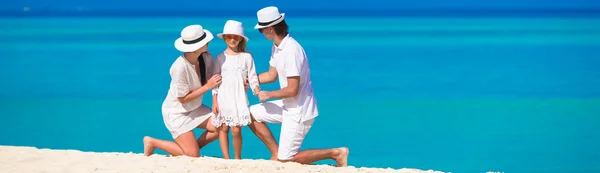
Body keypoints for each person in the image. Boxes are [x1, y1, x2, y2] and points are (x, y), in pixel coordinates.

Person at [247, 6, 349, 167]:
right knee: (249, 114)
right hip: (287, 106)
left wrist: (268, 95)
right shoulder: (277, 47)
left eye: (261, 30)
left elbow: (292, 90)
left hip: (300, 111)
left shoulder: (291, 50)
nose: (261, 33)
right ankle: (276, 153)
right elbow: (271, 75)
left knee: (287, 160)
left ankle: (336, 153)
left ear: (271, 29)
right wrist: (249, 80)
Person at [142, 24, 222, 157]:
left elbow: (214, 78)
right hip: (176, 113)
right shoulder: (179, 68)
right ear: (195, 48)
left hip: (195, 108)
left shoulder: (206, 57)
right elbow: (183, 99)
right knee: (192, 156)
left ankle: (189, 149)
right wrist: (207, 86)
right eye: (204, 41)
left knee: (222, 126)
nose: (208, 42)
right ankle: (152, 142)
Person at [211, 20, 260, 160]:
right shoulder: (220, 58)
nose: (232, 40)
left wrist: (256, 90)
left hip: (238, 98)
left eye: (236, 37)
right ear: (225, 38)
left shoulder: (247, 57)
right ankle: (226, 158)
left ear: (241, 39)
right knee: (223, 128)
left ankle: (237, 158)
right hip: (223, 97)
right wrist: (214, 101)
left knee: (236, 130)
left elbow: (252, 76)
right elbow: (215, 81)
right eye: (229, 37)